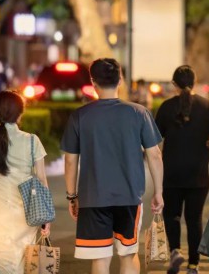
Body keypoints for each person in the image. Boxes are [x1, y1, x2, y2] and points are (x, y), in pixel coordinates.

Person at [61, 58, 164, 274]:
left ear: (93, 82)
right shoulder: (139, 113)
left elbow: (70, 160)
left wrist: (72, 196)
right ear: (120, 80)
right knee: (128, 255)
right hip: (129, 196)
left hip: (93, 198)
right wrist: (158, 192)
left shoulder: (80, 116)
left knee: (100, 258)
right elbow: (154, 154)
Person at [155, 66, 209, 274]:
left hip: (172, 171)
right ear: (194, 82)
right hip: (199, 173)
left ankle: (175, 251)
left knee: (172, 214)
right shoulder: (207, 106)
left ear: (174, 84)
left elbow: (155, 139)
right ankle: (193, 264)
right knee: (194, 219)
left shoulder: (166, 107)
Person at [0, 91, 52, 273]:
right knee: (25, 265)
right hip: (26, 216)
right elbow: (42, 181)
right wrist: (46, 217)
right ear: (20, 114)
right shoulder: (32, 141)